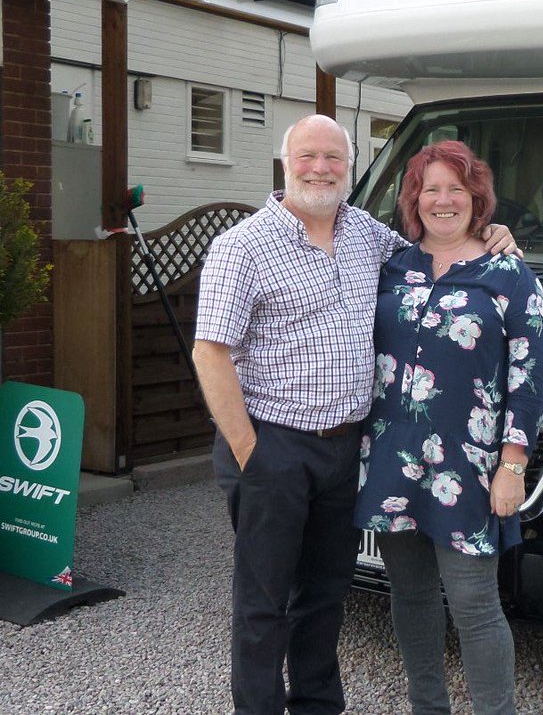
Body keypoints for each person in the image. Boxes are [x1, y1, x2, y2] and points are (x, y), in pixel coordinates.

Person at [193, 116, 518, 715]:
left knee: (324, 597)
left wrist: (489, 230)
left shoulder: (370, 236)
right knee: (264, 602)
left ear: (351, 164)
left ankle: (317, 706)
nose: (320, 168)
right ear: (284, 162)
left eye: (334, 158)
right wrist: (249, 452)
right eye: (307, 156)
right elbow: (210, 350)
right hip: (273, 445)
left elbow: (439, 249)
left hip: (346, 450)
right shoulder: (242, 246)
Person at [354, 140, 543, 715]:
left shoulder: (509, 274)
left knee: (474, 604)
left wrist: (513, 464)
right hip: (391, 461)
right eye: (430, 189)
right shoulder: (390, 265)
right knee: (411, 599)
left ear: (477, 199)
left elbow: (530, 376)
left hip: (467, 470)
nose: (443, 201)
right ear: (413, 199)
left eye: (456, 189)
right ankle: (427, 707)